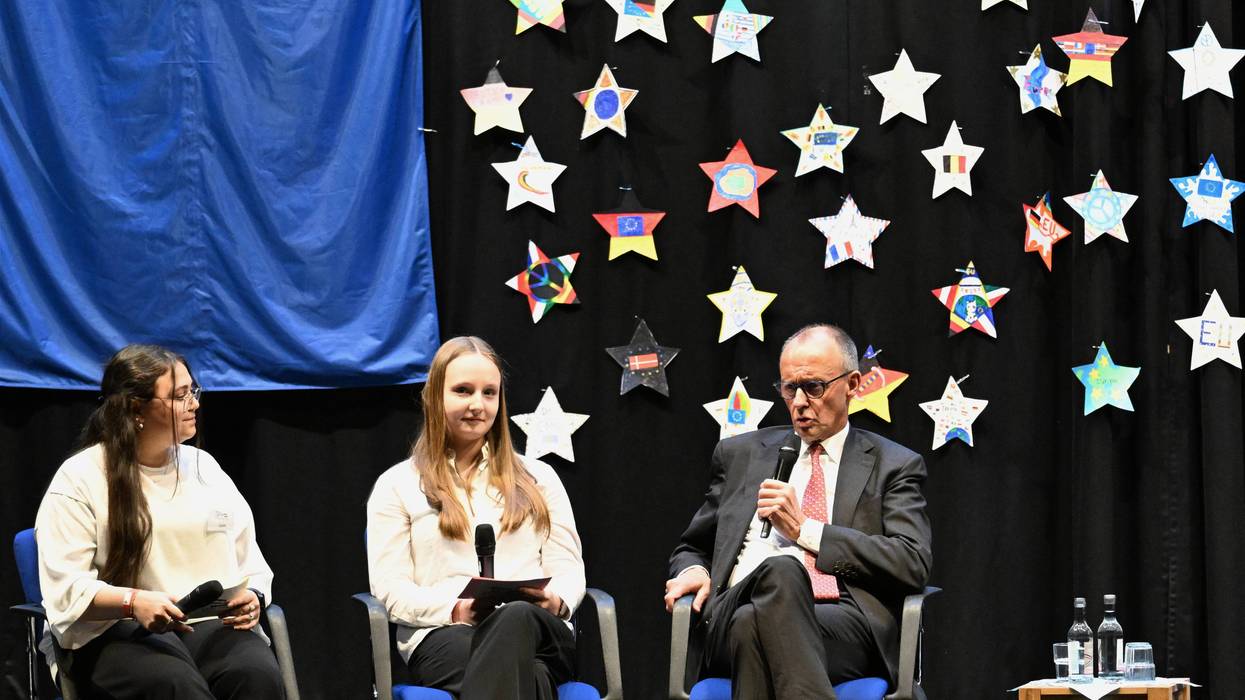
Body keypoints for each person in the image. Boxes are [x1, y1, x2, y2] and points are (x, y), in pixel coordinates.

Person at [665, 324, 932, 699]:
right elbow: (692, 547)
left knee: (752, 622)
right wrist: (693, 570)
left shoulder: (894, 465)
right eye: (790, 388)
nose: (800, 402)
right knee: (778, 574)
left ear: (852, 384)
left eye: (814, 387)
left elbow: (911, 562)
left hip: (839, 622)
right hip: (728, 611)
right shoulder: (740, 455)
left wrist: (805, 530)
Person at [35, 344, 284, 699]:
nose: (194, 404)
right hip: (115, 630)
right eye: (180, 396)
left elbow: (250, 561)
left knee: (256, 676)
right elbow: (67, 589)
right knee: (175, 685)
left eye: (193, 391)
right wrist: (133, 602)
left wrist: (255, 595)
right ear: (136, 408)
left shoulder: (205, 468)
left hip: (208, 626)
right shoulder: (80, 479)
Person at [367, 336, 585, 699]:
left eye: (489, 393)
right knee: (529, 676)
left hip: (541, 632)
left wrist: (556, 601)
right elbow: (390, 591)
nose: (477, 405)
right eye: (463, 391)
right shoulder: (397, 485)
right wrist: (457, 610)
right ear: (434, 396)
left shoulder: (540, 477)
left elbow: (569, 567)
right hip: (444, 634)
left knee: (516, 616)